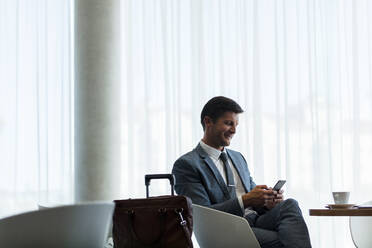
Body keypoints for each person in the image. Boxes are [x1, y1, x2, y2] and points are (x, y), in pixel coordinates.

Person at [172, 96, 311, 248]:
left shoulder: (238, 158)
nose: (234, 130)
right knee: (286, 239)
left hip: (255, 220)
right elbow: (201, 215)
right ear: (208, 122)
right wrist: (245, 200)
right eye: (228, 123)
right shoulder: (187, 164)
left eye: (236, 125)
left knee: (290, 204)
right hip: (224, 230)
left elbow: (253, 197)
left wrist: (267, 201)